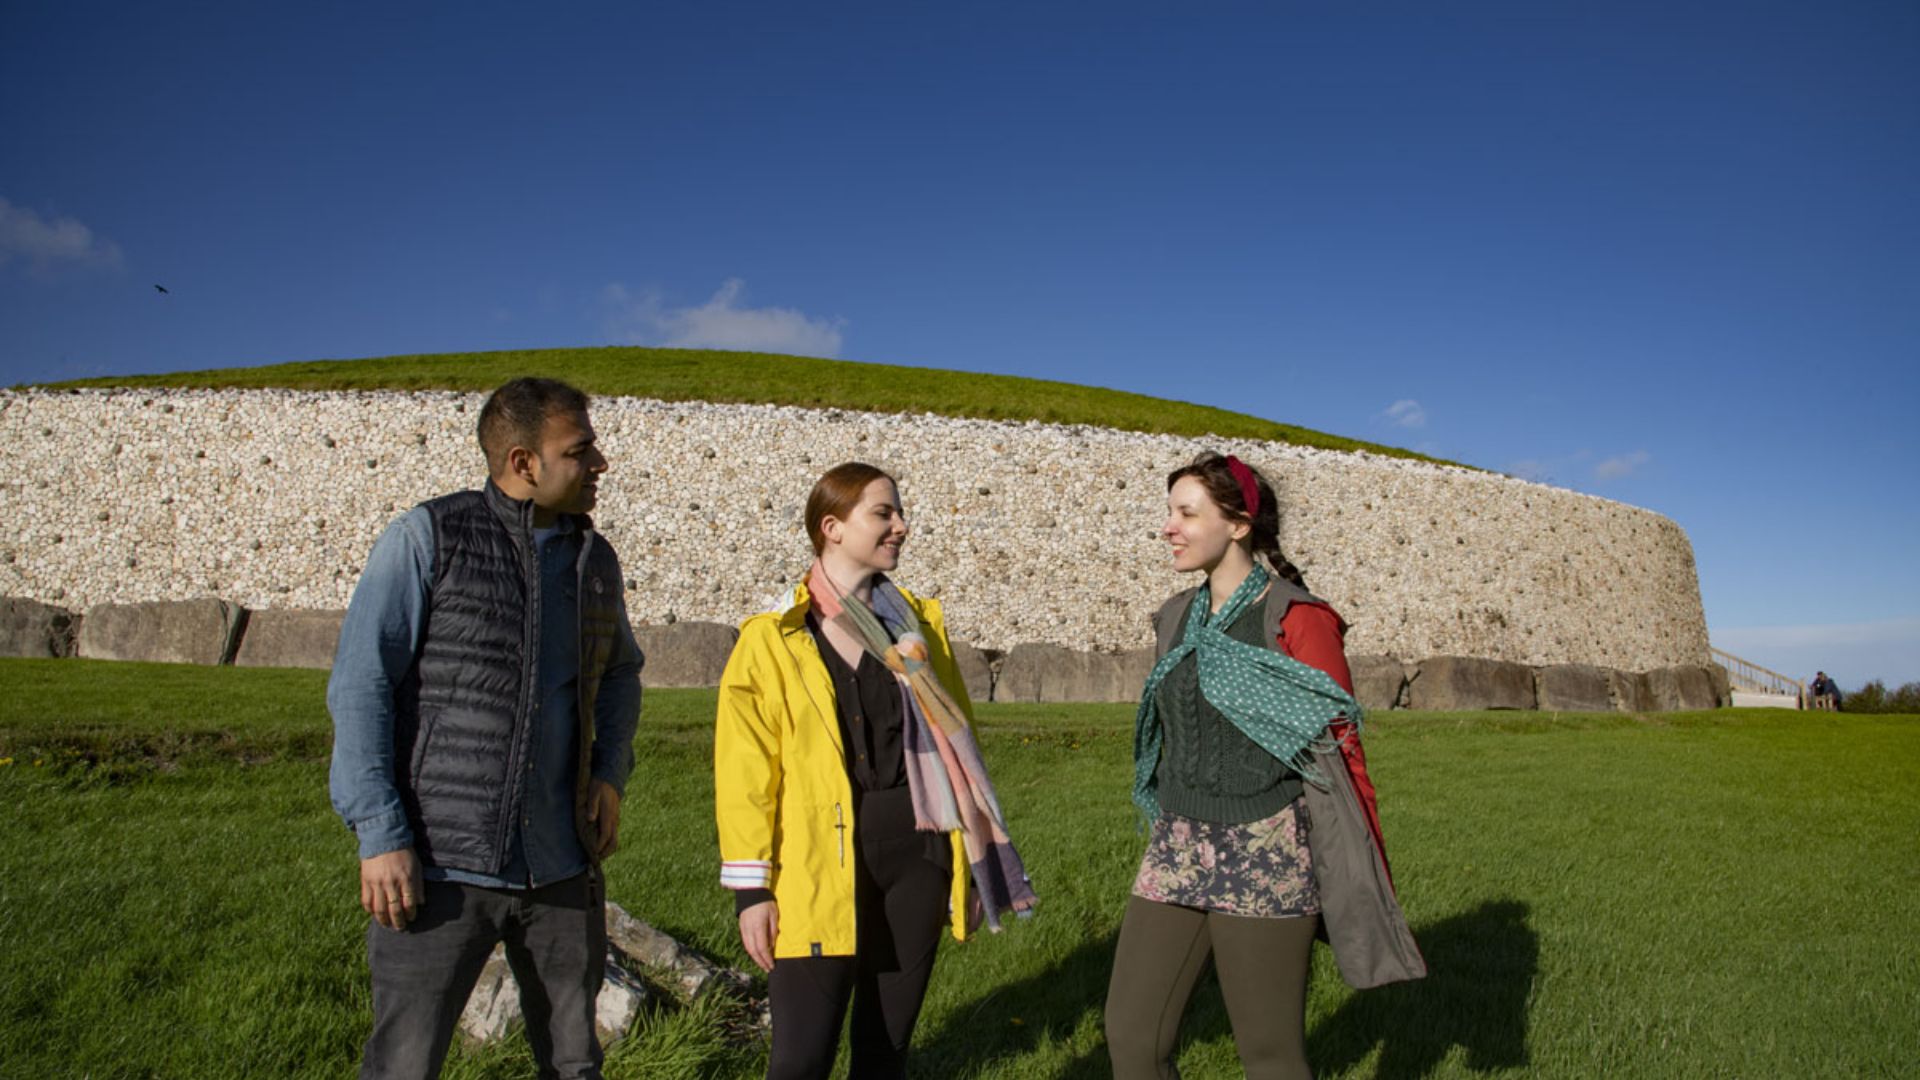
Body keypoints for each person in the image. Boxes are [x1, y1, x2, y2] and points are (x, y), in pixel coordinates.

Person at [328, 377, 644, 1080]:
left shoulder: (596, 560)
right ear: (523, 462)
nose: (600, 464)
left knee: (574, 1065)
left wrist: (609, 773)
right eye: (580, 449)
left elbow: (622, 673)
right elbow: (360, 684)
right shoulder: (425, 537)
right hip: (438, 870)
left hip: (563, 867)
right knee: (404, 1067)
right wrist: (380, 834)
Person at [1105, 452, 1424, 1080]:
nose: (1168, 526)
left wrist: (1364, 867)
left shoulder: (1296, 618)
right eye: (1169, 511)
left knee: (1270, 1056)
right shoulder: (1175, 617)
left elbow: (1340, 750)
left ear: (1239, 524)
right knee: (1132, 1036)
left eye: (1187, 512)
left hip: (1267, 849)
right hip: (1178, 843)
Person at [714, 461, 1036, 1080]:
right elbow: (745, 772)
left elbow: (957, 746)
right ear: (831, 527)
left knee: (884, 1055)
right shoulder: (773, 637)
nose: (902, 526)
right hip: (813, 865)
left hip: (917, 857)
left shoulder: (918, 627)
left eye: (899, 512)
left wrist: (968, 866)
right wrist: (753, 892)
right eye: (883, 513)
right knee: (799, 1060)